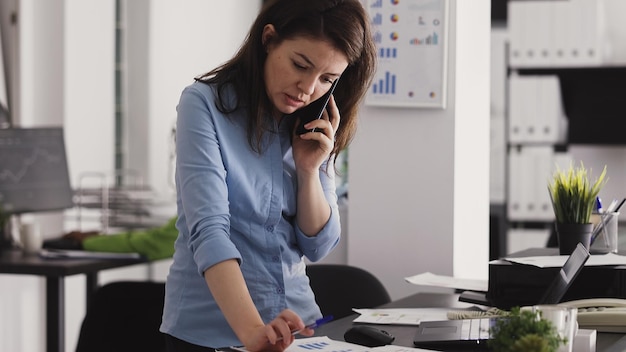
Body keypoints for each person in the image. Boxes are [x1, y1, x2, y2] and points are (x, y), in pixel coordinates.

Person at [159, 0, 376, 351]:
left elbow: (319, 245)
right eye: (299, 65)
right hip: (210, 335)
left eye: (327, 79)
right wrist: (252, 332)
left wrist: (309, 170)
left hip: (299, 329)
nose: (307, 88)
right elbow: (209, 231)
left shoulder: (310, 124)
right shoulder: (203, 105)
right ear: (269, 39)